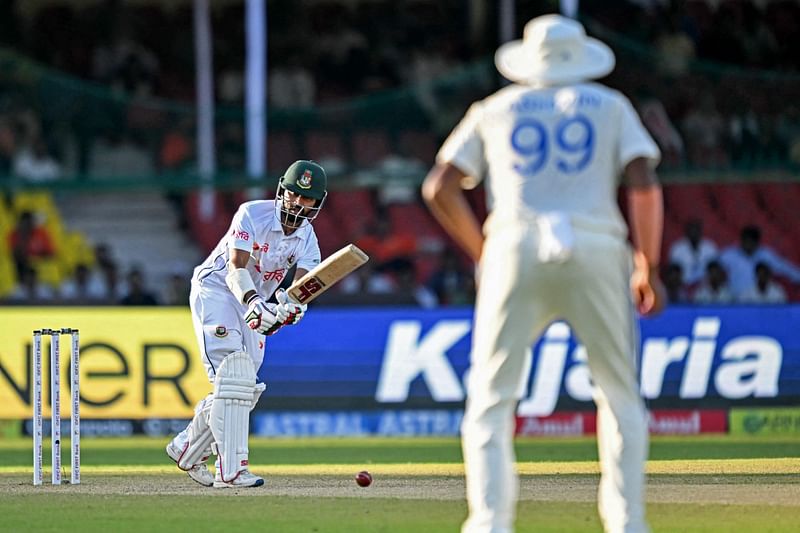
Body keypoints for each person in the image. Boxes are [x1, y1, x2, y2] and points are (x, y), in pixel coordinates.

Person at [421, 15, 665, 533]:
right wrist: (648, 263)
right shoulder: (612, 106)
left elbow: (439, 186)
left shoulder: (494, 108)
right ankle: (627, 523)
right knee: (619, 394)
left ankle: (489, 522)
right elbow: (642, 182)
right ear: (581, 58)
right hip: (598, 245)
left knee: (490, 397)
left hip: (514, 242)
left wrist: (484, 251)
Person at [166, 160, 327, 488]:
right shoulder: (252, 213)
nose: (297, 202)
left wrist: (292, 310)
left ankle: (187, 447)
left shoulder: (308, 240)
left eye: (306, 198)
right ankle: (232, 470)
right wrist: (255, 304)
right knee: (233, 376)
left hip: (257, 302)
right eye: (293, 194)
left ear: (317, 203)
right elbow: (236, 268)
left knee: (244, 388)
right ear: (282, 190)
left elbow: (301, 290)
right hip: (218, 291)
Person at [718, 225, 800, 300]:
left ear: (757, 242)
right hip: (736, 301)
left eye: (750, 242)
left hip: (760, 300)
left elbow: (786, 269)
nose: (747, 244)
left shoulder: (766, 255)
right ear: (741, 240)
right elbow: (713, 269)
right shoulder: (729, 255)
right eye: (745, 241)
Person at [667, 218, 718, 286]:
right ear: (686, 232)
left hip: (705, 287)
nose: (693, 233)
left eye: (696, 231)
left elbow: (715, 270)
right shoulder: (677, 248)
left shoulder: (710, 247)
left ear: (700, 231)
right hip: (682, 286)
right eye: (691, 231)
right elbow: (673, 271)